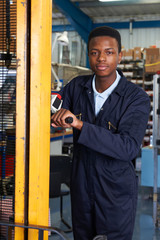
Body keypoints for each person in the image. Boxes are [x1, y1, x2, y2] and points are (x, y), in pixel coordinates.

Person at [51, 26, 150, 240]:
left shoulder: (136, 98)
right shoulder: (77, 86)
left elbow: (128, 148)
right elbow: (53, 107)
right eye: (95, 52)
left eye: (109, 52)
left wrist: (80, 125)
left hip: (115, 192)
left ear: (120, 56)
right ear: (89, 56)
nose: (101, 59)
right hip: (82, 187)